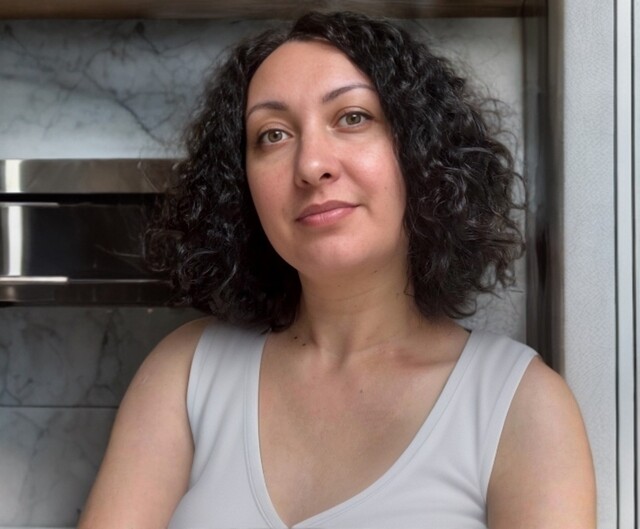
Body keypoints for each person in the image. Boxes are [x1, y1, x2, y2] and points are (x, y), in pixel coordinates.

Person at [78, 11, 596, 529]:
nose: (310, 165)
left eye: (352, 118)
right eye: (273, 134)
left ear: (421, 152)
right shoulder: (186, 372)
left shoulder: (520, 406)